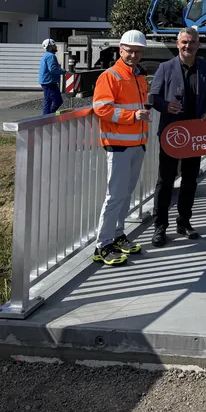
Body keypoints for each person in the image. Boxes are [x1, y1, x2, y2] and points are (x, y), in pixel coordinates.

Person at [149, 27, 206, 247]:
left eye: (192, 42)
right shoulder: (165, 68)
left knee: (190, 180)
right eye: (184, 42)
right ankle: (160, 227)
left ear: (198, 44)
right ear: (178, 44)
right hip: (172, 133)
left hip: (195, 133)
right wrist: (166, 106)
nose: (188, 46)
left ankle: (184, 222)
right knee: (165, 180)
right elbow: (153, 97)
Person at [92, 30, 151, 266]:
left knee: (125, 194)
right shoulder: (110, 76)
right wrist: (133, 116)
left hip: (137, 144)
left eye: (138, 52)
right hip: (118, 145)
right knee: (115, 196)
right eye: (130, 51)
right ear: (121, 50)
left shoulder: (138, 76)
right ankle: (102, 246)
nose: (133, 55)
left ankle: (117, 235)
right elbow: (101, 108)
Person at [38, 38, 65, 115]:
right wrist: (63, 71)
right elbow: (53, 69)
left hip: (48, 82)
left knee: (49, 101)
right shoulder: (51, 56)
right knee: (57, 101)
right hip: (49, 82)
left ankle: (46, 117)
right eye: (54, 45)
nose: (55, 46)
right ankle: (48, 117)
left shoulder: (47, 55)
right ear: (49, 46)